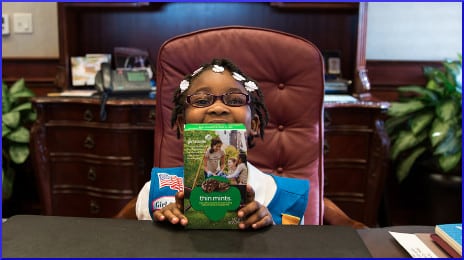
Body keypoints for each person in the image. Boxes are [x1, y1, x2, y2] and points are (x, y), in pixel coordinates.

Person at [135, 58, 309, 229]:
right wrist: (163, 231)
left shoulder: (289, 198)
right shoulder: (154, 191)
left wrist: (272, 232)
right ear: (182, 124)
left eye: (234, 100)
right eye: (202, 101)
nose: (218, 108)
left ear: (254, 125)